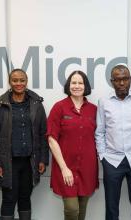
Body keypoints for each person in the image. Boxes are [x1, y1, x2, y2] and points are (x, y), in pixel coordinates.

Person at [0, 68, 49, 220]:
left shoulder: (36, 104)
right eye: (15, 80)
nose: (19, 83)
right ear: (10, 82)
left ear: (26, 82)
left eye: (22, 80)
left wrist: (42, 159)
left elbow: (43, 134)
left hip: (29, 161)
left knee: (25, 197)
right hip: (8, 162)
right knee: (9, 199)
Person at [95, 64, 131, 220]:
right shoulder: (103, 101)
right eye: (118, 80)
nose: (121, 83)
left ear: (130, 80)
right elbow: (100, 131)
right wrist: (103, 156)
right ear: (111, 81)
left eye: (125, 79)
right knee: (111, 207)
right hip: (112, 161)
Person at [47, 70, 98, 220]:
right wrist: (64, 168)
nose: (76, 86)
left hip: (87, 168)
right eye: (73, 82)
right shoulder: (59, 107)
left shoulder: (94, 109)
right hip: (65, 166)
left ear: (85, 86)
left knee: (82, 210)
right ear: (68, 85)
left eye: (80, 83)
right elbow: (51, 139)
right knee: (71, 209)